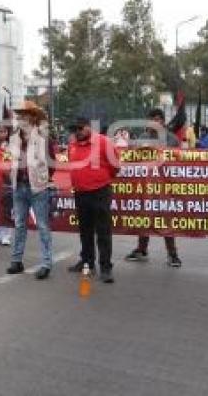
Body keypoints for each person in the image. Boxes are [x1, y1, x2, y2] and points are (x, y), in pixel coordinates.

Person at [6, 101, 57, 280]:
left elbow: (52, 162)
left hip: (38, 188)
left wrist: (42, 179)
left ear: (33, 117)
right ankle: (17, 260)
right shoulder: (14, 138)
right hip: (19, 186)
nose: (20, 118)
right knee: (19, 224)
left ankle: (46, 263)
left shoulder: (43, 137)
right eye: (19, 115)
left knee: (42, 226)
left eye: (24, 114)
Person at [125, 108, 182, 267]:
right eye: (152, 120)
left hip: (165, 186)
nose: (155, 123)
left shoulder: (172, 139)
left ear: (163, 121)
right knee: (144, 218)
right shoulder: (143, 138)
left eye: (158, 119)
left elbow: (180, 162)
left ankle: (173, 254)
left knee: (166, 220)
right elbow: (134, 159)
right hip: (146, 185)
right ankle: (141, 250)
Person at [67, 117, 120, 284]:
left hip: (100, 192)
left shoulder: (103, 142)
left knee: (103, 231)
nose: (77, 132)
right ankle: (87, 262)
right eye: (74, 129)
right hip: (81, 193)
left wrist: (101, 179)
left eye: (80, 128)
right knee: (85, 231)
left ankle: (106, 267)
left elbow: (115, 166)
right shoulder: (73, 145)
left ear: (89, 127)